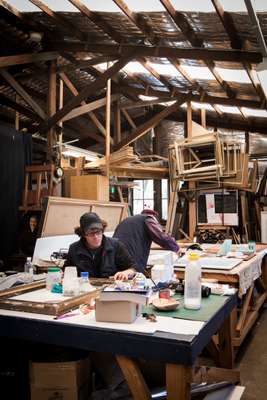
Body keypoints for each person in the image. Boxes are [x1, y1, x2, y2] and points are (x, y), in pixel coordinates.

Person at [65, 212, 137, 280]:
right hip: (85, 289)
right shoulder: (74, 249)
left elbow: (133, 268)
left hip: (111, 289)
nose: (96, 237)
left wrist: (125, 273)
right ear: (83, 234)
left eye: (98, 232)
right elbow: (66, 272)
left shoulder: (116, 245)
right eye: (91, 233)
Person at [113, 208, 179, 272]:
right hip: (130, 257)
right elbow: (160, 236)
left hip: (115, 256)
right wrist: (176, 248)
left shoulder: (130, 220)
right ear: (154, 218)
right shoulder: (148, 219)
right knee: (133, 275)